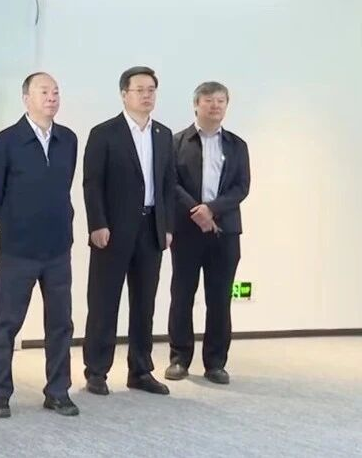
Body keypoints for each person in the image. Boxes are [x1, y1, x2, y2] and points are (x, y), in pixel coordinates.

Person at [0, 72, 79, 418]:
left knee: (61, 323)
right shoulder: (5, 141)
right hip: (18, 249)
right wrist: (12, 223)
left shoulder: (68, 139)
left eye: (56, 91)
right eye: (44, 91)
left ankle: (58, 391)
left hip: (58, 248)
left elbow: (63, 185)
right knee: (7, 323)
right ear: (26, 98)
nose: (51, 97)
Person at [82, 66, 177, 396]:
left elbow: (168, 185)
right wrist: (97, 223)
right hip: (112, 230)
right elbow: (92, 183)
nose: (146, 95)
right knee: (104, 301)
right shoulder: (104, 133)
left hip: (151, 228)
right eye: (140, 90)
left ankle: (140, 370)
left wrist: (167, 226)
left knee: (144, 304)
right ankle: (96, 370)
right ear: (124, 94)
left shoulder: (163, 134)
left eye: (151, 90)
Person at [165, 81, 250, 385]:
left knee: (219, 298)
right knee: (182, 295)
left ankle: (215, 363)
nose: (215, 106)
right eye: (209, 100)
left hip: (225, 231)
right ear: (196, 104)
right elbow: (170, 183)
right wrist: (197, 211)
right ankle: (179, 358)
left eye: (221, 101)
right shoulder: (176, 142)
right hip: (187, 231)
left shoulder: (237, 145)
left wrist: (211, 209)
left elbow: (241, 187)